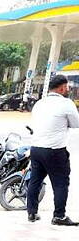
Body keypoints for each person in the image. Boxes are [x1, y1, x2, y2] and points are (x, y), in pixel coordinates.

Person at [27, 74, 79, 225]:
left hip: (36, 148)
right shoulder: (66, 103)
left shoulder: (40, 103)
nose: (68, 89)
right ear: (62, 88)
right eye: (67, 87)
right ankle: (59, 216)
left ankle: (32, 213)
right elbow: (76, 123)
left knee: (35, 181)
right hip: (54, 150)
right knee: (61, 183)